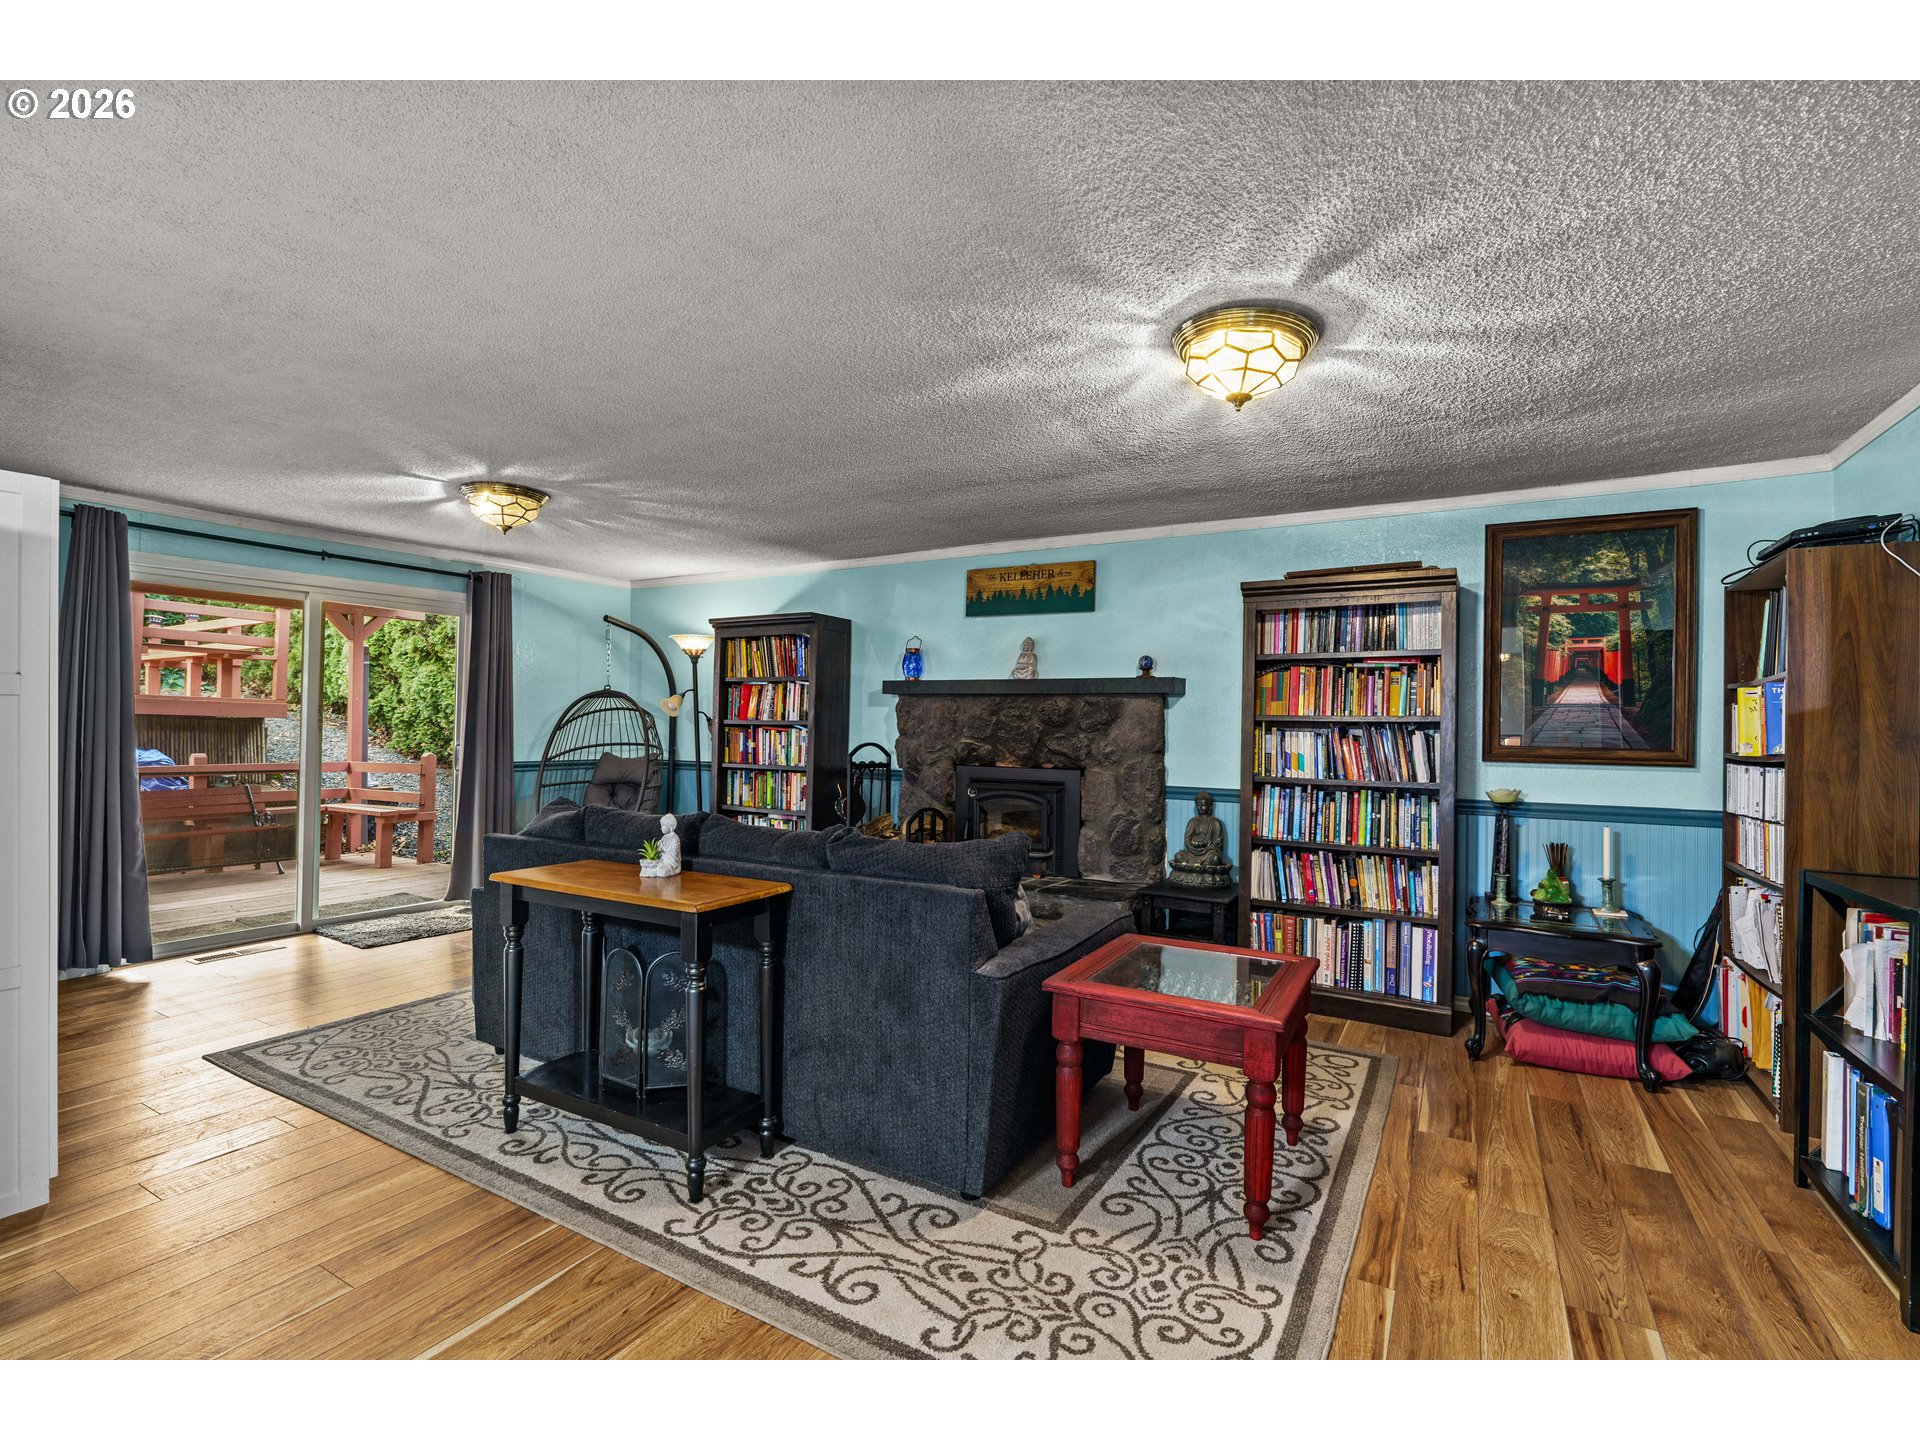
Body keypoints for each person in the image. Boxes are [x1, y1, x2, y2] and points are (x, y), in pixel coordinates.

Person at [1168, 791, 1230, 887]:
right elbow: (1187, 839)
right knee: (1179, 856)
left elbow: (1218, 842)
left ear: (1210, 806)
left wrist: (1205, 846)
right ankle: (1198, 868)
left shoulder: (1215, 822)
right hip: (1192, 853)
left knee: (1215, 858)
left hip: (1207, 853)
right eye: (1198, 805)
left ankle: (1193, 869)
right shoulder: (1193, 821)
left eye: (1203, 805)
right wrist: (1193, 845)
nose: (1200, 807)